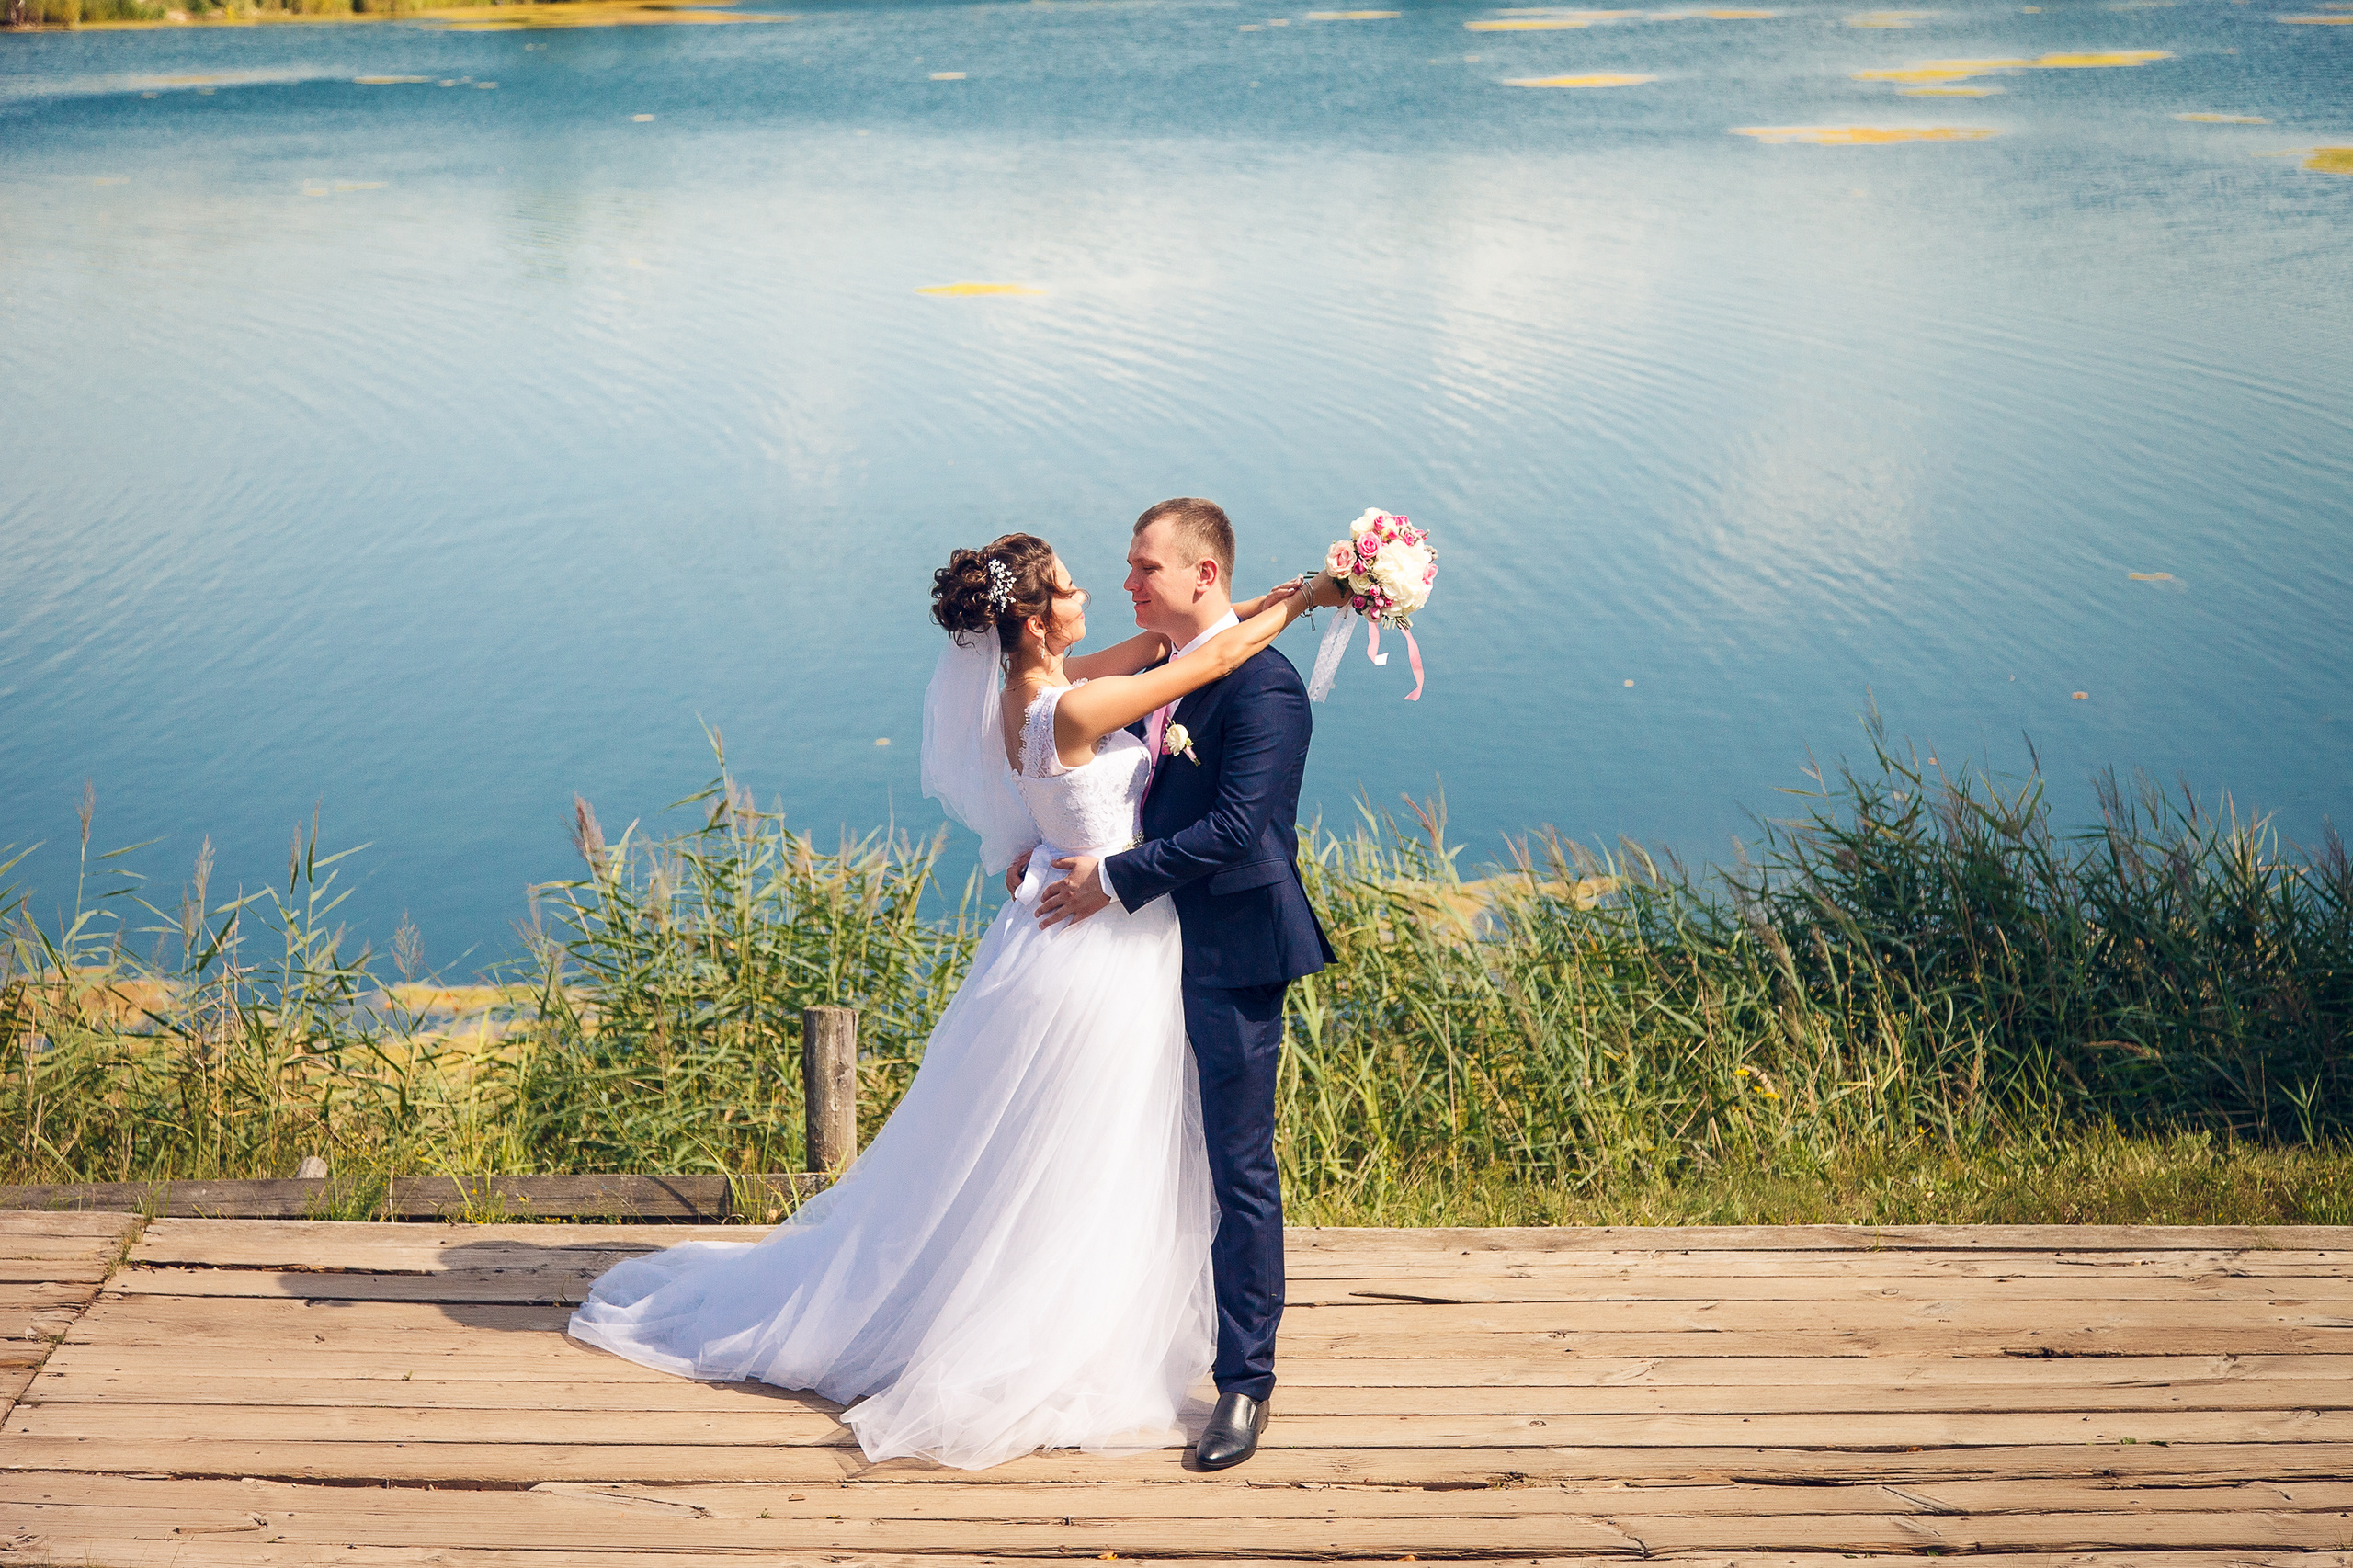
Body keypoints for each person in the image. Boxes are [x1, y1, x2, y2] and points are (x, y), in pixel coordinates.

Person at [567, 523, 1336, 1472]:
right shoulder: (1072, 705)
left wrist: (1296, 591)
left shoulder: (1044, 684)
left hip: (1093, 937)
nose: (1100, 587)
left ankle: (1224, 1369)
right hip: (1094, 947)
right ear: (1031, 613)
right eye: (1072, 584)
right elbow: (1198, 661)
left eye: (1137, 566)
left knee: (1113, 1156)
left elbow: (1189, 651)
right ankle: (1058, 1340)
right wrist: (1305, 602)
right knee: (1080, 1157)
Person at [1035, 497, 1336, 1470]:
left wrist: (1112, 881)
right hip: (1137, 957)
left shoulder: (1264, 690)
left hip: (1229, 951)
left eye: (1143, 568)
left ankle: (1244, 1383)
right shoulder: (1159, 669)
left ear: (1202, 574)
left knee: (1238, 1170)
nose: (1127, 582)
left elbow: (1240, 829)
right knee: (1133, 1154)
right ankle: (1118, 1343)